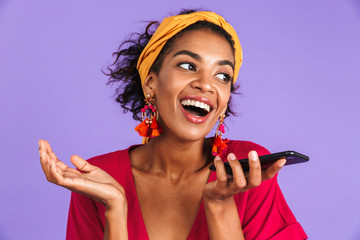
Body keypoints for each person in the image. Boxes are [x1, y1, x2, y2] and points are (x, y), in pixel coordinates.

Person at [39, 9, 308, 240]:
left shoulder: (246, 170)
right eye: (188, 66)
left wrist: (220, 205)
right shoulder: (98, 179)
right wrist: (115, 207)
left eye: (222, 75)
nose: (206, 83)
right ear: (151, 83)